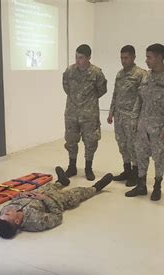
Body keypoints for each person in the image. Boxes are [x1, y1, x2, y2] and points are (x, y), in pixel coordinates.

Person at [126, 44, 164, 201]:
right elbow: (139, 100)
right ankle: (141, 185)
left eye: (149, 57)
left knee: (159, 158)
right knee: (141, 155)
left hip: (159, 129)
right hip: (142, 127)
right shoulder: (146, 76)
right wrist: (134, 119)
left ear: (159, 57)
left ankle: (157, 186)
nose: (146, 61)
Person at [0, 167, 113, 238]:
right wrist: (45, 199)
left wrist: (20, 195)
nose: (6, 211)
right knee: (77, 193)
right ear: (17, 220)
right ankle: (96, 188)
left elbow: (12, 202)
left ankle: (61, 182)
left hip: (38, 193)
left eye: (3, 214)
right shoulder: (36, 222)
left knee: (49, 186)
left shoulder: (5, 212)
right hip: (55, 200)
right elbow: (57, 216)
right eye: (7, 214)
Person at [62, 44, 108, 181]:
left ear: (88, 58)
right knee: (71, 140)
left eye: (81, 58)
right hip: (72, 112)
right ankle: (72, 166)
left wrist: (88, 101)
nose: (78, 60)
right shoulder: (69, 71)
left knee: (90, 141)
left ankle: (88, 168)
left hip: (89, 114)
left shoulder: (96, 73)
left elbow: (102, 90)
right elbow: (66, 87)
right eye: (76, 57)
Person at [107, 45, 147, 187]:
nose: (123, 61)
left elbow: (143, 98)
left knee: (133, 146)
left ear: (133, 57)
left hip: (132, 117)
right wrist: (111, 112)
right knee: (122, 144)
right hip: (119, 116)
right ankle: (127, 170)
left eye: (126, 58)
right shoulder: (120, 74)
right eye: (121, 58)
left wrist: (138, 118)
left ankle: (136, 174)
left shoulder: (141, 74)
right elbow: (115, 94)